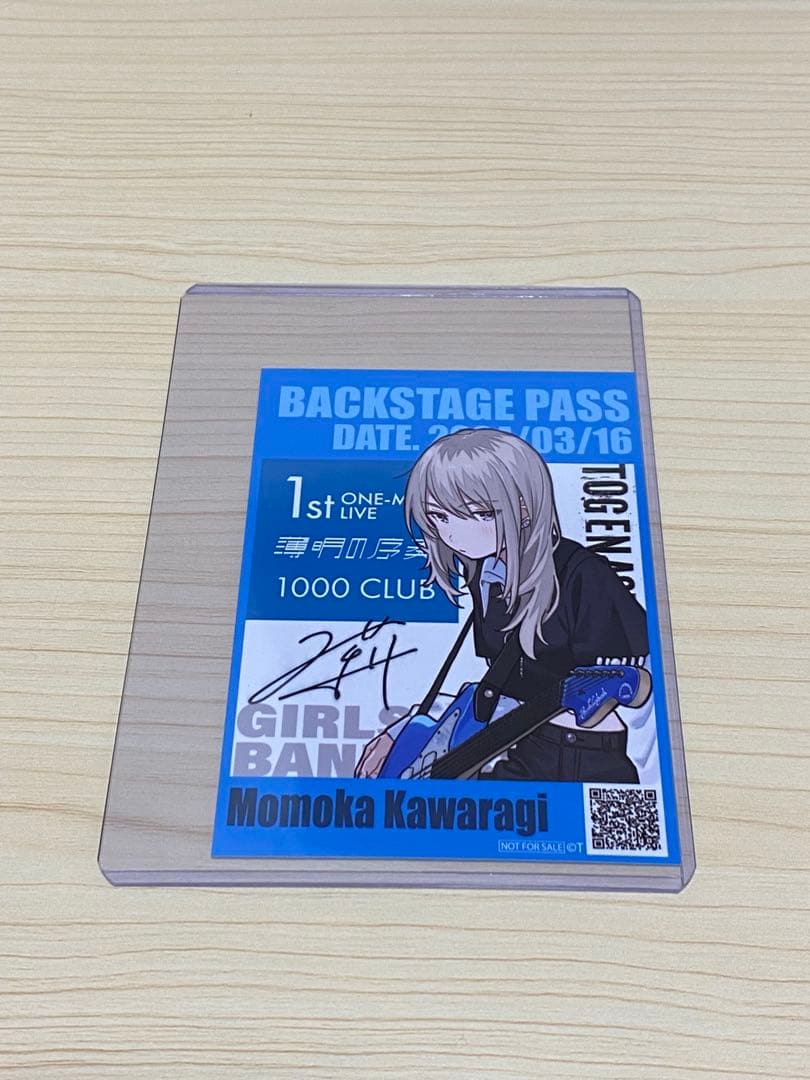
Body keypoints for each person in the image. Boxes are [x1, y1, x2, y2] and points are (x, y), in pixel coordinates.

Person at [356, 428, 656, 783]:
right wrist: (402, 734)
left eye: (478, 513)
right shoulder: (484, 576)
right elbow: (501, 688)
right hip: (521, 747)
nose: (452, 534)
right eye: (439, 516)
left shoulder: (583, 574)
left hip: (585, 755)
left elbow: (648, 694)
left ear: (524, 507)